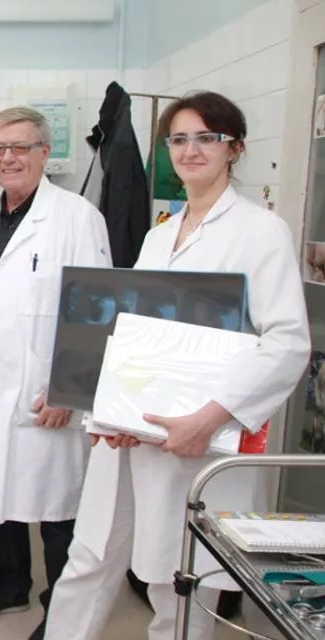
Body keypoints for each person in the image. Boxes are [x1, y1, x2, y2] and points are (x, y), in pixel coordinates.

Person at [44, 91, 310, 640]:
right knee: (88, 559)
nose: (190, 150)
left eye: (206, 138)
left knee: (178, 580)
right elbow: (137, 336)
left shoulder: (261, 231)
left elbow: (286, 343)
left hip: (194, 438)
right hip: (131, 434)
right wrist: (110, 412)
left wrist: (209, 420)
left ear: (234, 148)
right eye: (179, 139)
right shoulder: (160, 234)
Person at [0, 106, 112, 639]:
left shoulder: (76, 217)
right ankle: (10, 584)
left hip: (46, 391)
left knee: (57, 510)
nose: (8, 158)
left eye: (20, 147)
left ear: (45, 152)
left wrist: (71, 387)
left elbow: (97, 308)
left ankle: (61, 610)